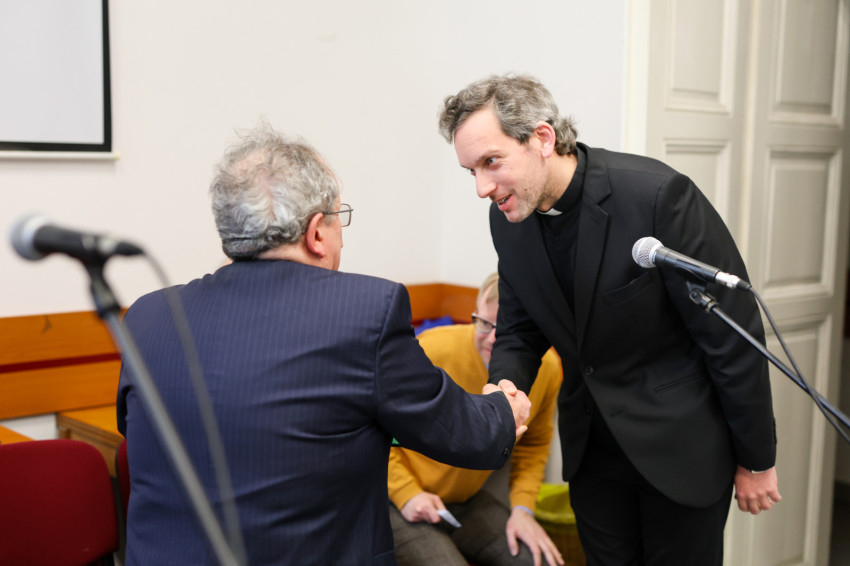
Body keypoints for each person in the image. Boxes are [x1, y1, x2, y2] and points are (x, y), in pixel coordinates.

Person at [116, 124, 531, 566]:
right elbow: (465, 434)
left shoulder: (147, 317)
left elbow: (133, 426)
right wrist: (504, 412)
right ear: (316, 233)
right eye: (339, 218)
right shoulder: (363, 312)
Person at [437, 75, 781, 566]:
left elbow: (731, 338)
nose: (482, 188)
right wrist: (504, 387)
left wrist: (756, 458)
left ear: (542, 138)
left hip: (680, 450)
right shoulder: (507, 220)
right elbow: (518, 329)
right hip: (593, 457)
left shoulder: (657, 196)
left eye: (491, 162)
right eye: (471, 170)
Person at [388, 272, 564, 566]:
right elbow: (377, 431)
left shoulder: (547, 368)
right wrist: (407, 493)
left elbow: (533, 447)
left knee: (540, 561)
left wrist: (523, 510)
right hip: (397, 498)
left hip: (466, 501)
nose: (494, 338)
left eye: (506, 329)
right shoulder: (431, 349)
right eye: (485, 323)